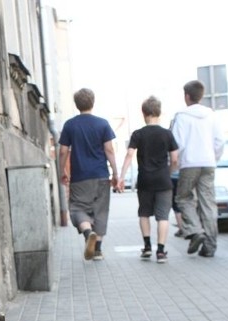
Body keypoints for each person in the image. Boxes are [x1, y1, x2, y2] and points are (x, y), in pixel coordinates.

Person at [59, 88, 119, 261]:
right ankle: (98, 250)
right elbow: (109, 149)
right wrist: (115, 173)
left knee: (78, 208)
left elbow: (63, 151)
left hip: (80, 177)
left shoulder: (70, 125)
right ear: (93, 102)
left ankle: (87, 232)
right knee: (100, 210)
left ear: (76, 104)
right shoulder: (103, 124)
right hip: (101, 174)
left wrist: (61, 171)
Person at [118, 96, 179, 263]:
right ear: (159, 113)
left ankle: (146, 247)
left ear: (143, 113)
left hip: (145, 180)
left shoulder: (138, 134)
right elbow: (174, 159)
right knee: (163, 217)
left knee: (144, 213)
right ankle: (160, 251)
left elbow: (129, 155)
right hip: (163, 180)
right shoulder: (167, 134)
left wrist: (122, 177)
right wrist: (169, 171)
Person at [171, 80, 224, 257]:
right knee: (208, 203)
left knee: (183, 198)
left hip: (190, 164)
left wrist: (175, 163)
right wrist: (213, 157)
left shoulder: (182, 116)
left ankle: (195, 230)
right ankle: (210, 246)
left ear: (187, 96)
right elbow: (219, 142)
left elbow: (178, 144)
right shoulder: (212, 115)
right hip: (209, 163)